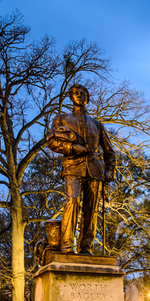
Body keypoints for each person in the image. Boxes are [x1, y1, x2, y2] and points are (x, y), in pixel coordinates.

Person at [46, 84, 116, 254]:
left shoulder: (97, 125)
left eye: (83, 94)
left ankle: (86, 246)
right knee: (73, 201)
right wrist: (72, 149)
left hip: (95, 170)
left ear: (87, 97)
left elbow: (110, 152)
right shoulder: (61, 118)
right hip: (72, 167)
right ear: (71, 97)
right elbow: (52, 142)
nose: (80, 96)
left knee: (91, 208)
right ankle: (67, 245)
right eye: (76, 93)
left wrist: (110, 171)